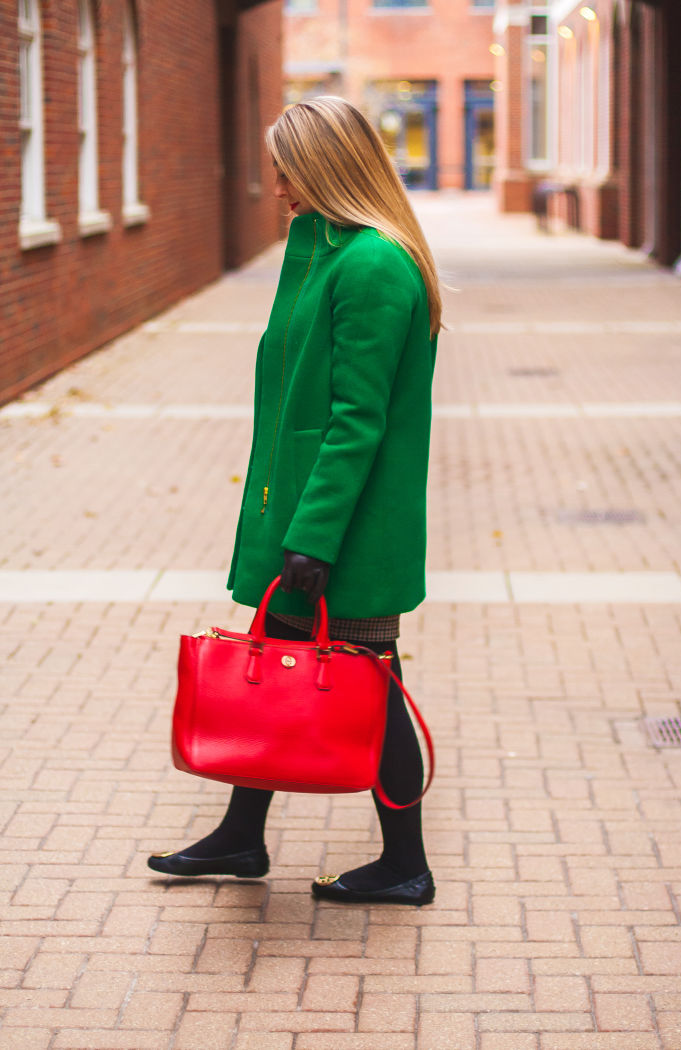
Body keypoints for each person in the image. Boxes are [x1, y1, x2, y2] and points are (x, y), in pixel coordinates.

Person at [149, 97, 441, 906]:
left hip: (342, 533)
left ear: (323, 168)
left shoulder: (373, 266)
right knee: (276, 675)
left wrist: (312, 539)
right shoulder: (330, 253)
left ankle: (405, 864)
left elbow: (357, 423)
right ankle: (243, 837)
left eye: (285, 168)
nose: (274, 184)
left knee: (372, 689)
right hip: (317, 521)